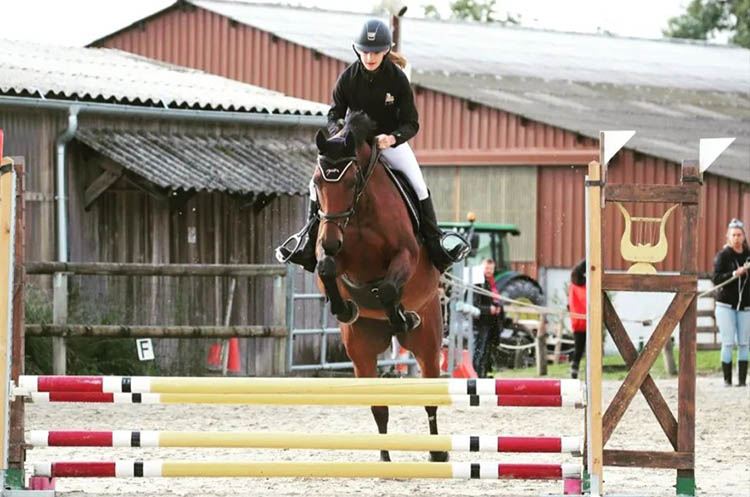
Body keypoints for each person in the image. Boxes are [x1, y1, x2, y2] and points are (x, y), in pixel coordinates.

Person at [275, 18, 469, 273]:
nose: (370, 57)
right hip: (352, 144)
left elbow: (412, 123)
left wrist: (392, 138)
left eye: (376, 51)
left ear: (386, 50)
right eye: (365, 51)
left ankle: (436, 244)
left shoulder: (397, 79)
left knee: (418, 183)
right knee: (317, 182)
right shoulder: (348, 78)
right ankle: (308, 240)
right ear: (358, 51)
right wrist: (340, 135)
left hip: (389, 144)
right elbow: (333, 115)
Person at [712, 218, 750, 387]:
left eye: (739, 235)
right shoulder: (723, 256)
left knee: (744, 342)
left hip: (746, 307)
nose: (736, 238)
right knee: (727, 342)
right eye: (733, 235)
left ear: (744, 236)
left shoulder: (748, 255)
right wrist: (735, 273)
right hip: (726, 306)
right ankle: (727, 380)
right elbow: (716, 279)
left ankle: (742, 381)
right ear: (728, 236)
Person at [472, 258, 503, 377]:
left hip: (491, 323)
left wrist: (498, 308)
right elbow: (475, 304)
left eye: (491, 269)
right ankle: (477, 374)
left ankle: (483, 373)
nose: (489, 271)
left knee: (486, 351)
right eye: (487, 268)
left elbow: (495, 300)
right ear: (481, 268)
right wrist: (488, 309)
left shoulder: (491, 284)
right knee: (479, 350)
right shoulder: (478, 284)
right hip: (480, 324)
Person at [568, 258, 587, 379]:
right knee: (589, 349)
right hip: (587, 320)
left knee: (578, 348)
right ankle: (588, 370)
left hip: (576, 321)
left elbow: (569, 304)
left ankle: (574, 369)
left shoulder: (572, 286)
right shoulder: (585, 286)